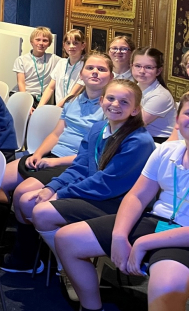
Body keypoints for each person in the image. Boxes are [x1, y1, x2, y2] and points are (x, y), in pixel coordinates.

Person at [12, 80, 154, 294]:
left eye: (124, 102)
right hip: (95, 194)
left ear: (135, 110)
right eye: (111, 98)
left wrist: (61, 194)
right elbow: (80, 165)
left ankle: (69, 268)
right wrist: (52, 188)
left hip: (118, 203)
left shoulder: (139, 141)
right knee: (26, 200)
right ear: (101, 101)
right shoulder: (98, 128)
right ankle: (68, 265)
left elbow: (107, 184)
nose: (116, 104)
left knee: (42, 211)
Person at [55, 91, 189, 311]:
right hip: (157, 220)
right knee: (67, 239)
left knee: (166, 288)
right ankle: (91, 308)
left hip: (184, 235)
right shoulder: (167, 151)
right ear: (177, 121)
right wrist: (119, 236)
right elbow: (137, 196)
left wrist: (143, 243)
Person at [0, 53, 113, 272]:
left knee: (24, 193)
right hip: (54, 156)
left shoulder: (109, 106)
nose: (95, 72)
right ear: (82, 73)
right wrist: (38, 153)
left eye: (101, 69)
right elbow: (57, 134)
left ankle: (28, 257)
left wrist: (54, 162)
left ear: (111, 75)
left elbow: (94, 154)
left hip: (76, 164)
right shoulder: (73, 101)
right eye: (90, 68)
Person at [132, 47, 176, 143]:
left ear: (158, 71)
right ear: (131, 66)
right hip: (139, 135)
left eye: (148, 67)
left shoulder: (161, 96)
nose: (142, 71)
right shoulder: (135, 87)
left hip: (158, 141)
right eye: (138, 66)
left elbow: (135, 123)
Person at [37, 29, 86, 108]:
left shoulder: (85, 66)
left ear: (83, 45)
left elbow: (72, 94)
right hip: (59, 108)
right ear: (64, 45)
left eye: (75, 43)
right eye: (68, 43)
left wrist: (56, 109)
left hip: (74, 109)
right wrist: (39, 107)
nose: (71, 46)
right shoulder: (61, 63)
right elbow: (50, 88)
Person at [13, 26, 61, 106]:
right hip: (23, 96)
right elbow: (21, 84)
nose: (41, 43)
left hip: (40, 99)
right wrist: (26, 104)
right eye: (38, 40)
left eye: (45, 40)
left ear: (49, 44)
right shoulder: (21, 60)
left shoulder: (54, 59)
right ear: (31, 42)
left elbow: (69, 63)